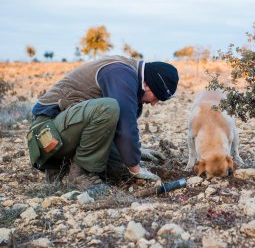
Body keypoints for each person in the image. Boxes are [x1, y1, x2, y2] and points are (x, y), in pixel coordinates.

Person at [27, 55, 179, 189]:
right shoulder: (120, 72)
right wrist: (136, 166)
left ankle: (63, 168)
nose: (154, 103)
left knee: (120, 170)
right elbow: (125, 125)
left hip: (64, 131)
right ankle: (81, 174)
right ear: (147, 84)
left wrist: (137, 152)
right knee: (108, 108)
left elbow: (119, 126)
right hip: (46, 134)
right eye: (157, 97)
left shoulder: (130, 76)